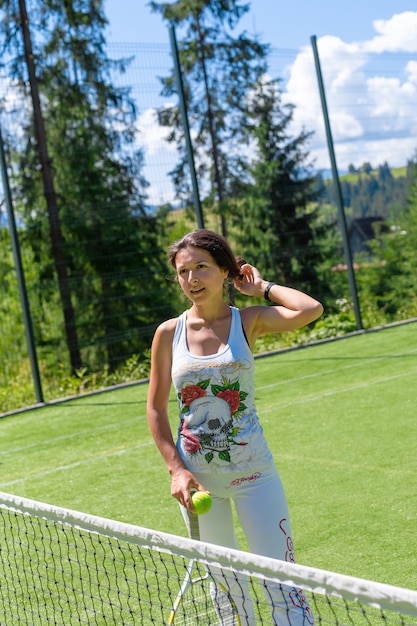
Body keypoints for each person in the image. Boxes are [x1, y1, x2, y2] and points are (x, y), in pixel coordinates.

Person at [147, 229, 323, 625]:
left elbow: (310, 309)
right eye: (183, 271)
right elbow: (156, 409)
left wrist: (262, 288)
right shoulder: (167, 334)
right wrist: (177, 469)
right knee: (226, 590)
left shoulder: (250, 321)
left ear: (226, 271)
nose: (192, 279)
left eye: (202, 268)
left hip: (255, 474)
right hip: (199, 482)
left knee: (283, 582)